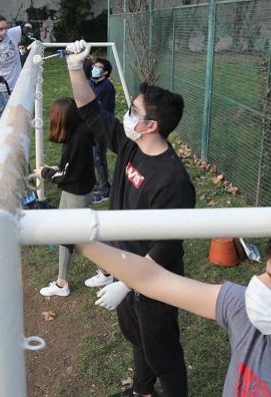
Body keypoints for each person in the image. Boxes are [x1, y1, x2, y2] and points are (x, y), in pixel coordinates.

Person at [74, 236, 271, 396]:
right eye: (264, 272)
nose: (257, 284)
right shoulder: (247, 315)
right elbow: (153, 279)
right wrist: (82, 241)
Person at [64, 40, 195, 397]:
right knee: (137, 338)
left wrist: (130, 282)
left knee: (163, 352)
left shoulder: (173, 181)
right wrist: (75, 67)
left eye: (134, 111)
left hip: (154, 278)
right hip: (126, 268)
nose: (127, 113)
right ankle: (141, 391)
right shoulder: (129, 144)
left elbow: (168, 244)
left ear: (150, 125)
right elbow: (90, 111)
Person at [36, 98, 97, 297]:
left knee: (79, 236)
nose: (51, 118)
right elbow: (69, 167)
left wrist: (46, 174)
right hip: (73, 189)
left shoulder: (78, 139)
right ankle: (64, 281)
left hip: (76, 191)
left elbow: (70, 173)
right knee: (70, 233)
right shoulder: (76, 133)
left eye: (53, 115)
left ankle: (65, 283)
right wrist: (54, 169)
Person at [88, 57, 116, 204]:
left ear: (105, 72)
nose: (95, 68)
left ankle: (105, 190)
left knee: (98, 157)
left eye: (98, 67)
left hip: (101, 127)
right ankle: (98, 184)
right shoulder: (93, 83)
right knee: (94, 157)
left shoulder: (107, 87)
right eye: (94, 66)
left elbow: (103, 110)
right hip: (93, 126)